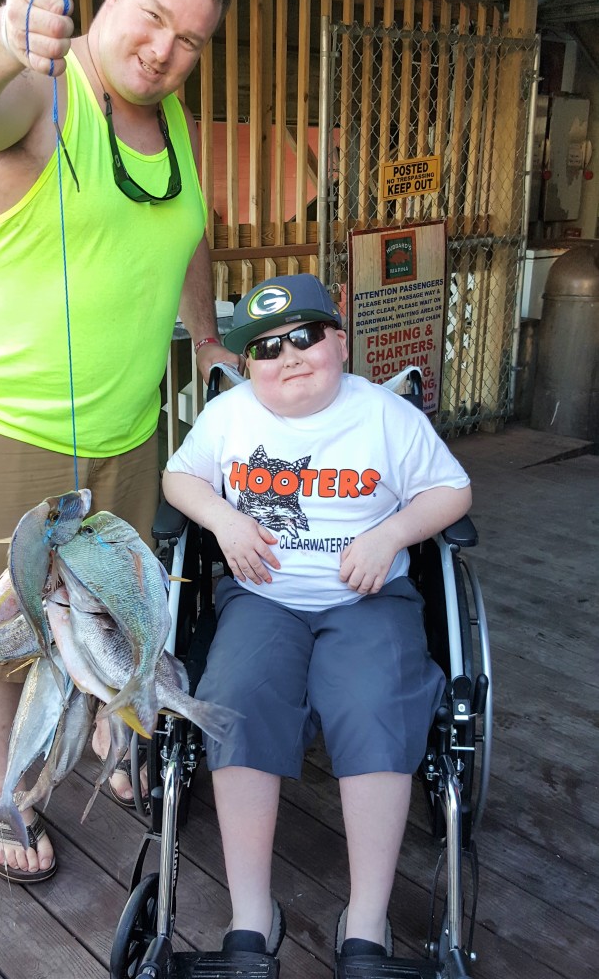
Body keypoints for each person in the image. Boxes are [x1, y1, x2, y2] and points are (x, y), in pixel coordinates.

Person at [0, 0, 238, 883]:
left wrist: (206, 339)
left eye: (190, 40)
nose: (164, 51)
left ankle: (97, 732)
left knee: (110, 603)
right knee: (7, 622)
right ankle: (9, 789)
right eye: (153, 16)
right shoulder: (37, 98)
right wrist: (4, 40)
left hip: (123, 423)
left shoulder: (164, 118)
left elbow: (188, 228)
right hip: (4, 418)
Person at [162, 274, 472, 972]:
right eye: (266, 348)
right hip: (262, 597)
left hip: (367, 601)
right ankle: (251, 914)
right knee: (234, 698)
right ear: (245, 366)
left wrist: (391, 534)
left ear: (339, 341)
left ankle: (364, 921)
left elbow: (452, 489)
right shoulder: (231, 416)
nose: (288, 356)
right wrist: (221, 516)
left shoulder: (384, 416)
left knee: (374, 703)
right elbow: (179, 480)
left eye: (304, 336)